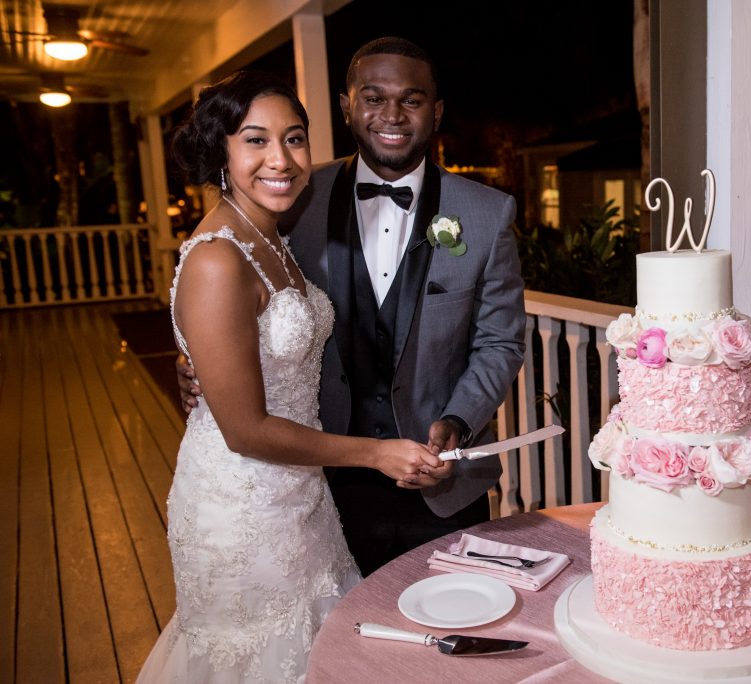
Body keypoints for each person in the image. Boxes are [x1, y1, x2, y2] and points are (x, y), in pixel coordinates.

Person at [178, 37, 526, 576]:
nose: (391, 114)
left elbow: (500, 341)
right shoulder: (293, 197)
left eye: (411, 100)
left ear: (436, 112)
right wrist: (202, 361)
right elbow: (221, 283)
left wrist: (458, 419)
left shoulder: (487, 213)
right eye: (373, 97)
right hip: (323, 483)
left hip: (444, 488)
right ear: (346, 107)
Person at [139, 70, 441, 683]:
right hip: (243, 505)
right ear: (220, 150)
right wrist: (377, 453)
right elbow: (245, 430)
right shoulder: (219, 258)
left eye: (295, 138)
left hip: (299, 495)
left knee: (317, 649)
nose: (280, 158)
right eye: (255, 140)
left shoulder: (271, 236)